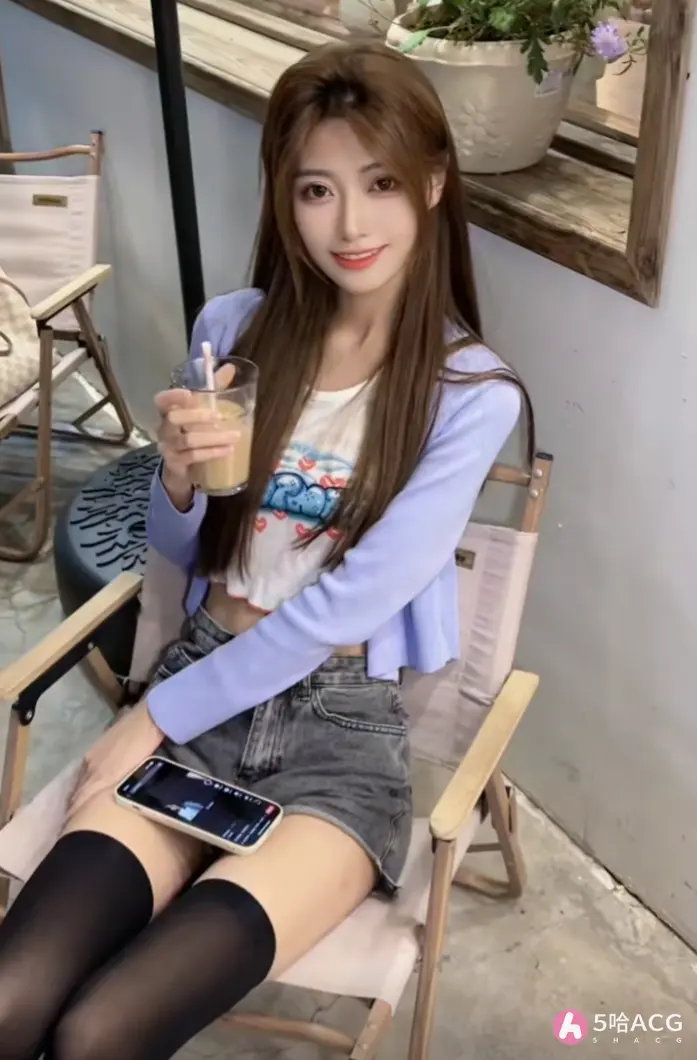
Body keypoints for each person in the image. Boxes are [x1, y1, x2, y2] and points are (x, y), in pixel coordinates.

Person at [0, 40, 526, 1060]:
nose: (350, 225)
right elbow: (184, 548)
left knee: (101, 1031)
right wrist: (178, 481)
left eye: (379, 183)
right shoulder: (236, 329)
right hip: (204, 680)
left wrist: (151, 716)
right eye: (316, 190)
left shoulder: (469, 395)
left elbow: (349, 604)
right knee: (12, 997)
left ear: (431, 181)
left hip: (338, 741)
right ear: (285, 200)